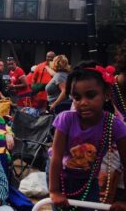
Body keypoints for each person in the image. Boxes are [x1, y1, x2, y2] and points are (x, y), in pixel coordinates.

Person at [49, 61, 126, 211]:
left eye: (90, 96)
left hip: (89, 178)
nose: (83, 103)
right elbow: (56, 157)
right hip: (60, 176)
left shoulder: (115, 125)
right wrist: (55, 191)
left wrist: (123, 199)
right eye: (77, 97)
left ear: (106, 94)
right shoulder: (66, 119)